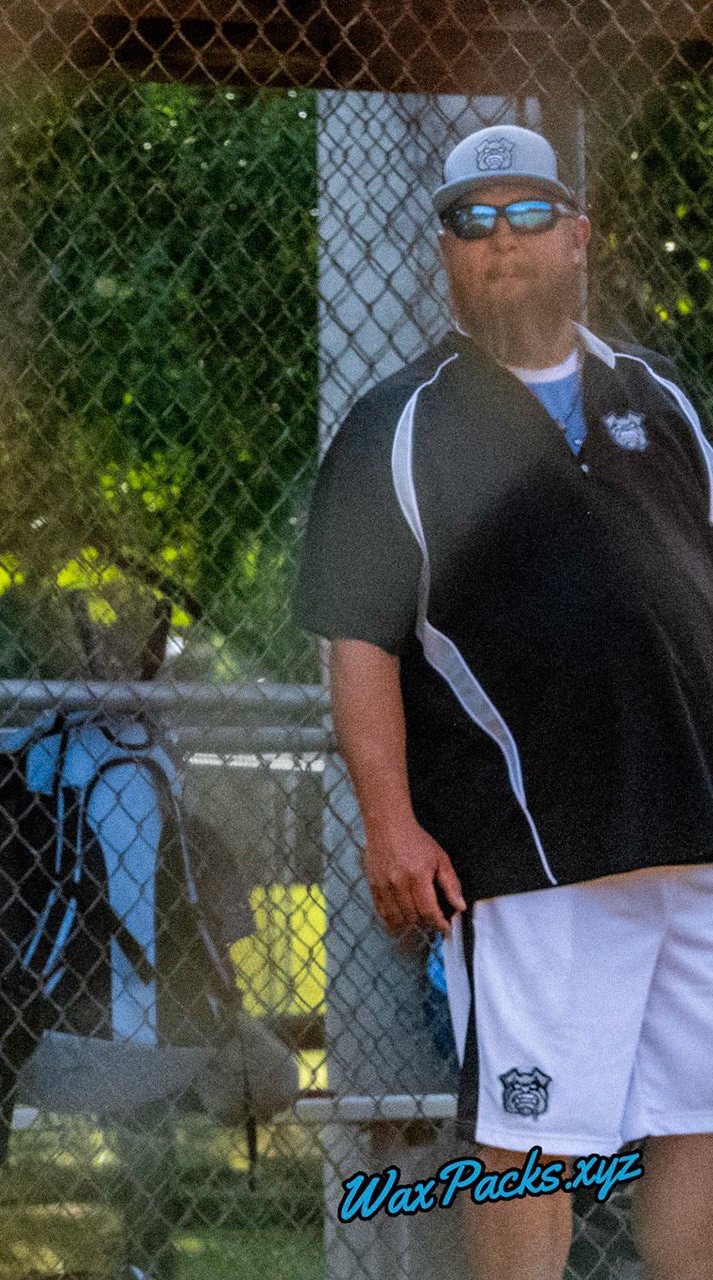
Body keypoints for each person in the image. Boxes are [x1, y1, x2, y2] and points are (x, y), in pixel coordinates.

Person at [297, 124, 713, 1279]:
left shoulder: (663, 403)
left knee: (702, 1116)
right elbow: (359, 637)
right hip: (534, 850)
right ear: (445, 253)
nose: (500, 242)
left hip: (695, 831)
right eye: (471, 222)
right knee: (531, 1145)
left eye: (528, 215)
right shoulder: (400, 422)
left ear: (579, 237)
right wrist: (390, 817)